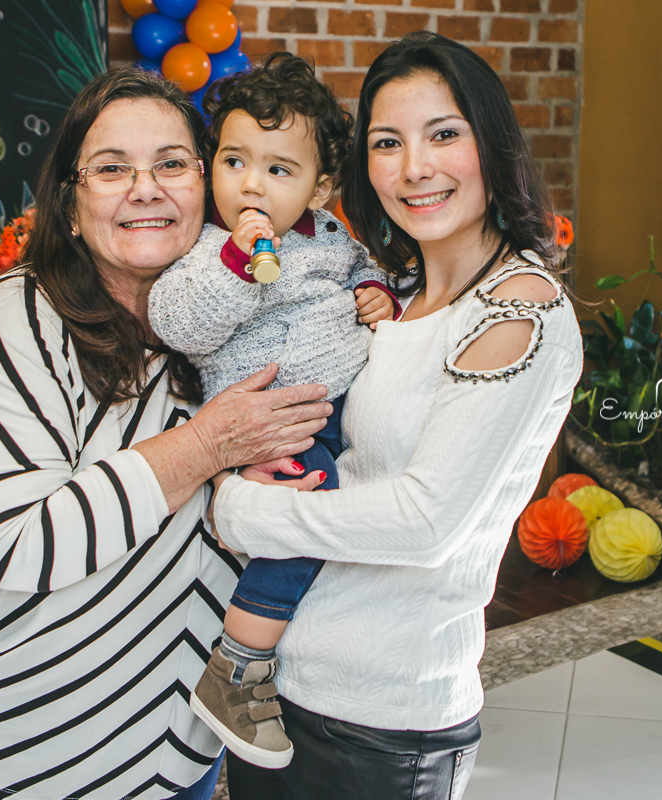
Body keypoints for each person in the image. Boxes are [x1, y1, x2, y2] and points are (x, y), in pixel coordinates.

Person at [0, 68, 332, 800]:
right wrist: (205, 449)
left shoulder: (247, 312)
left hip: (182, 741)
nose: (146, 189)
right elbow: (8, 541)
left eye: (172, 164)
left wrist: (243, 483)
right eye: (111, 169)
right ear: (71, 207)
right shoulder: (20, 314)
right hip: (25, 745)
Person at [216, 32, 584, 800]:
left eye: (443, 134)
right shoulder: (395, 296)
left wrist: (242, 509)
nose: (414, 167)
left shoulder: (518, 309)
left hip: (382, 718)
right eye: (388, 142)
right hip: (285, 682)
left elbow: (425, 522)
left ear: (491, 143)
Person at [148, 53, 396, 769]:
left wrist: (377, 294)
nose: (251, 184)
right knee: (306, 518)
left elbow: (364, 269)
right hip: (272, 421)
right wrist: (237, 263)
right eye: (234, 162)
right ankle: (237, 666)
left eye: (278, 170)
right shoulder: (206, 250)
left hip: (338, 406)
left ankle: (305, 649)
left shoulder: (328, 235)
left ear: (319, 188)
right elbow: (179, 323)